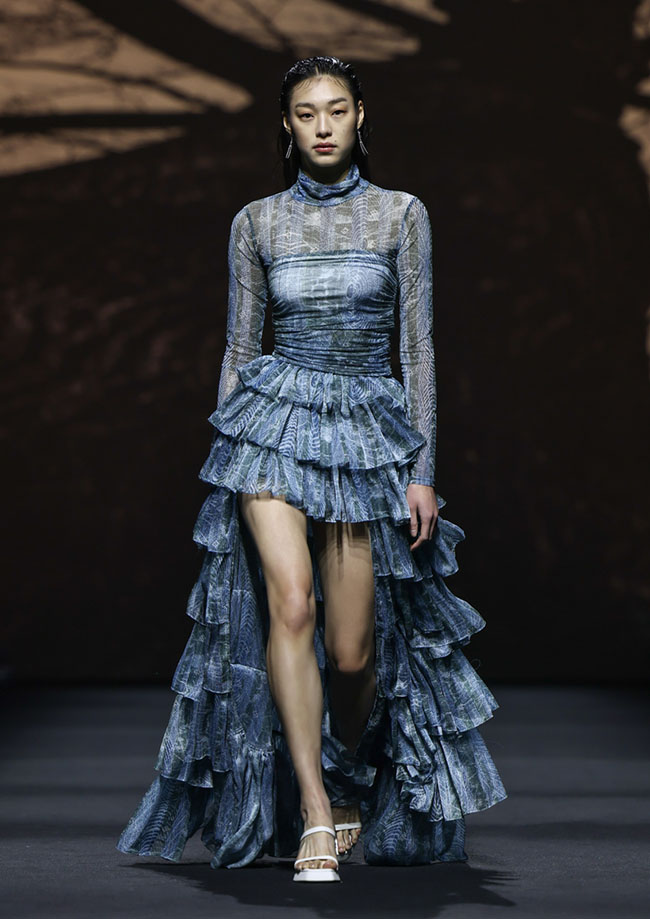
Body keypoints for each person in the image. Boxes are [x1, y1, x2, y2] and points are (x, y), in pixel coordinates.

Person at [116, 55, 507, 883]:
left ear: (362, 116)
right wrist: (225, 459)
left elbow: (417, 350)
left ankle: (344, 771)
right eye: (305, 112)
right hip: (272, 428)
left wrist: (422, 469)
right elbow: (239, 347)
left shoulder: (401, 214)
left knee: (352, 652)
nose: (322, 126)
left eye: (336, 109)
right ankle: (317, 814)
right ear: (286, 127)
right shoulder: (256, 222)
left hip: (364, 434)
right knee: (290, 603)